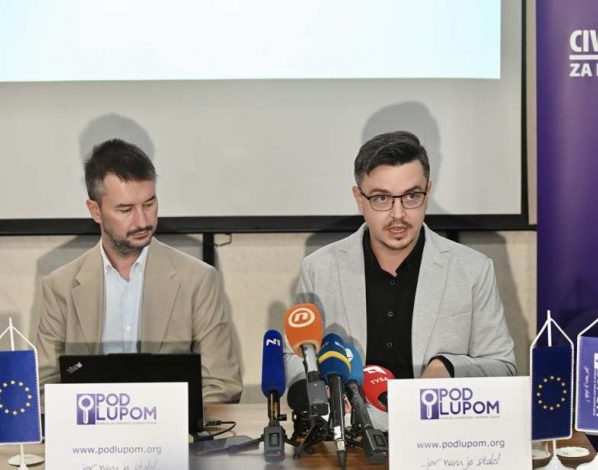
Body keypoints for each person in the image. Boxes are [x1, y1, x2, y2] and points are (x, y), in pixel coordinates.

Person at [287, 130, 516, 385]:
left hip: (433, 410)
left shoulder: (474, 269)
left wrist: (448, 367)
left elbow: (503, 366)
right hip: (351, 411)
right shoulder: (319, 269)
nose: (398, 214)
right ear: (359, 200)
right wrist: (327, 390)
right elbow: (295, 357)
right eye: (381, 198)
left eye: (411, 196)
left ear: (428, 193)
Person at [36, 139, 242, 403]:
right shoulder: (60, 286)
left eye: (149, 204)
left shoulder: (198, 280)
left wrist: (172, 419)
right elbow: (43, 386)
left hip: (174, 427)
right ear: (95, 211)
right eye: (125, 209)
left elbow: (222, 384)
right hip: (88, 424)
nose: (143, 221)